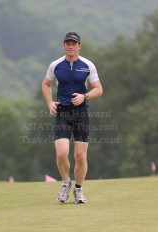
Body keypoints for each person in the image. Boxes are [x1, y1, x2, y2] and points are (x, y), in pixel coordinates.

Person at [42, 32, 103, 203]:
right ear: (63, 46)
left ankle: (78, 189)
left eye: (74, 43)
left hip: (82, 114)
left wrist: (84, 97)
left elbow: (98, 89)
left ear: (79, 46)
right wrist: (49, 103)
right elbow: (46, 84)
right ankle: (66, 183)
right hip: (63, 114)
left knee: (80, 157)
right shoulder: (56, 65)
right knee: (62, 154)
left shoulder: (88, 65)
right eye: (67, 43)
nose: (70, 46)